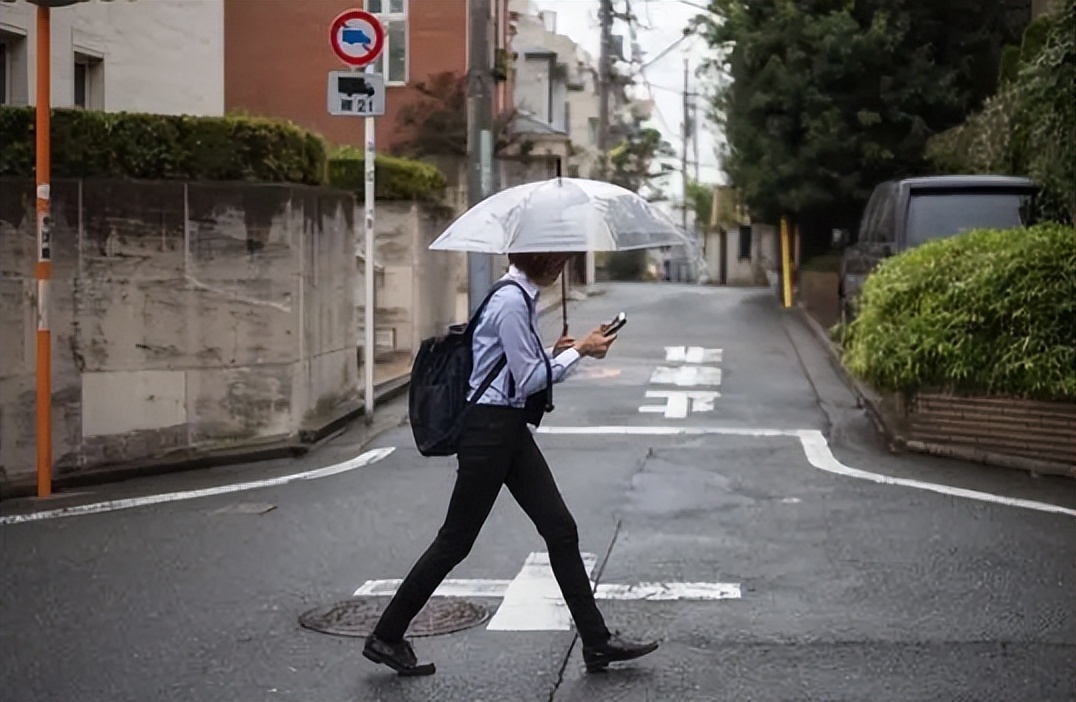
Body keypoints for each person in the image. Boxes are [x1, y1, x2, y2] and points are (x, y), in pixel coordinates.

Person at [363, 252, 659, 677]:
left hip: (506, 429)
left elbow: (514, 366)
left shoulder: (519, 296)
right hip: (489, 433)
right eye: (558, 259)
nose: (562, 266)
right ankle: (387, 635)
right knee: (455, 541)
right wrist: (582, 352)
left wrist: (568, 349)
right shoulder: (510, 302)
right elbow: (531, 378)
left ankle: (596, 641)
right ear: (546, 262)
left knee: (560, 528)